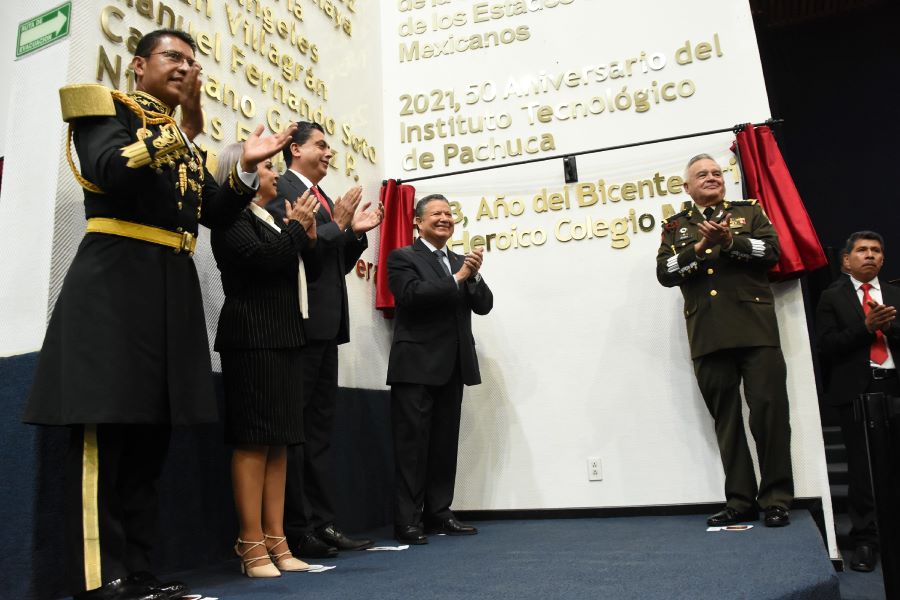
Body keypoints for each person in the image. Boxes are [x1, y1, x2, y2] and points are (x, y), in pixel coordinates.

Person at [23, 29, 296, 600]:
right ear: (139, 64)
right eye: (173, 57)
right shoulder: (103, 108)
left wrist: (243, 169)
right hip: (113, 291)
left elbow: (214, 215)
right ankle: (101, 579)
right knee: (108, 431)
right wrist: (188, 133)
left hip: (169, 295)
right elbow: (111, 170)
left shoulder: (177, 139)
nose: (184, 68)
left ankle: (138, 571)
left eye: (191, 61)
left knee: (150, 437)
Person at [656, 154, 794, 528]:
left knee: (769, 414)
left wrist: (732, 240)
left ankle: (777, 498)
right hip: (708, 334)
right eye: (702, 175)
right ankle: (740, 501)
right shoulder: (676, 226)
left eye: (717, 173)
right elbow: (665, 273)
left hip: (755, 329)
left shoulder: (748, 213)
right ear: (687, 187)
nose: (712, 178)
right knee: (727, 421)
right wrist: (698, 249)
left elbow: (773, 252)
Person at [267, 121, 383, 558]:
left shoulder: (325, 199)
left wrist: (355, 233)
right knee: (296, 433)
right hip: (298, 324)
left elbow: (332, 260)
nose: (329, 151)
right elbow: (298, 251)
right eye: (321, 144)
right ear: (295, 149)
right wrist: (338, 225)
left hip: (327, 327)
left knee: (319, 434)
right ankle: (298, 528)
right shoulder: (281, 190)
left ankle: (323, 522)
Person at [210, 143, 321, 577]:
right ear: (246, 175)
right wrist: (297, 229)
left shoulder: (273, 220)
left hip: (285, 336)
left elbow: (290, 266)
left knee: (279, 442)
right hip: (251, 337)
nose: (276, 174)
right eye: (269, 166)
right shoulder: (230, 219)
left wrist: (304, 234)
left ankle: (278, 540)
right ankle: (250, 543)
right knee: (254, 439)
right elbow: (261, 261)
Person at [386, 193, 493, 544]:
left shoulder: (461, 262)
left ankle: (438, 513)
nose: (445, 218)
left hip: (453, 367)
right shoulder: (402, 257)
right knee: (412, 447)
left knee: (444, 446)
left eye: (449, 213)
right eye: (436, 213)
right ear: (418, 222)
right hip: (416, 367)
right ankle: (407, 521)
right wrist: (459, 276)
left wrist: (472, 277)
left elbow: (485, 306)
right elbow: (412, 296)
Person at [816, 230, 899, 572]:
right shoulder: (831, 297)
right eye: (862, 250)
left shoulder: (895, 293)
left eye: (876, 250)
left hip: (894, 386)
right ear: (846, 260)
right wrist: (865, 328)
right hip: (856, 392)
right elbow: (827, 347)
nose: (870, 255)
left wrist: (888, 328)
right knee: (863, 472)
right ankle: (866, 541)